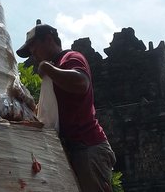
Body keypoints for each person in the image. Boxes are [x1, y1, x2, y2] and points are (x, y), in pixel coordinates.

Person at [16, 19, 116, 192]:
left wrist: (48, 68)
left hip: (87, 147)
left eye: (33, 46)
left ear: (49, 39)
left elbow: (81, 83)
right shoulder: (54, 72)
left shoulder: (70, 58)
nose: (32, 53)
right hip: (69, 149)